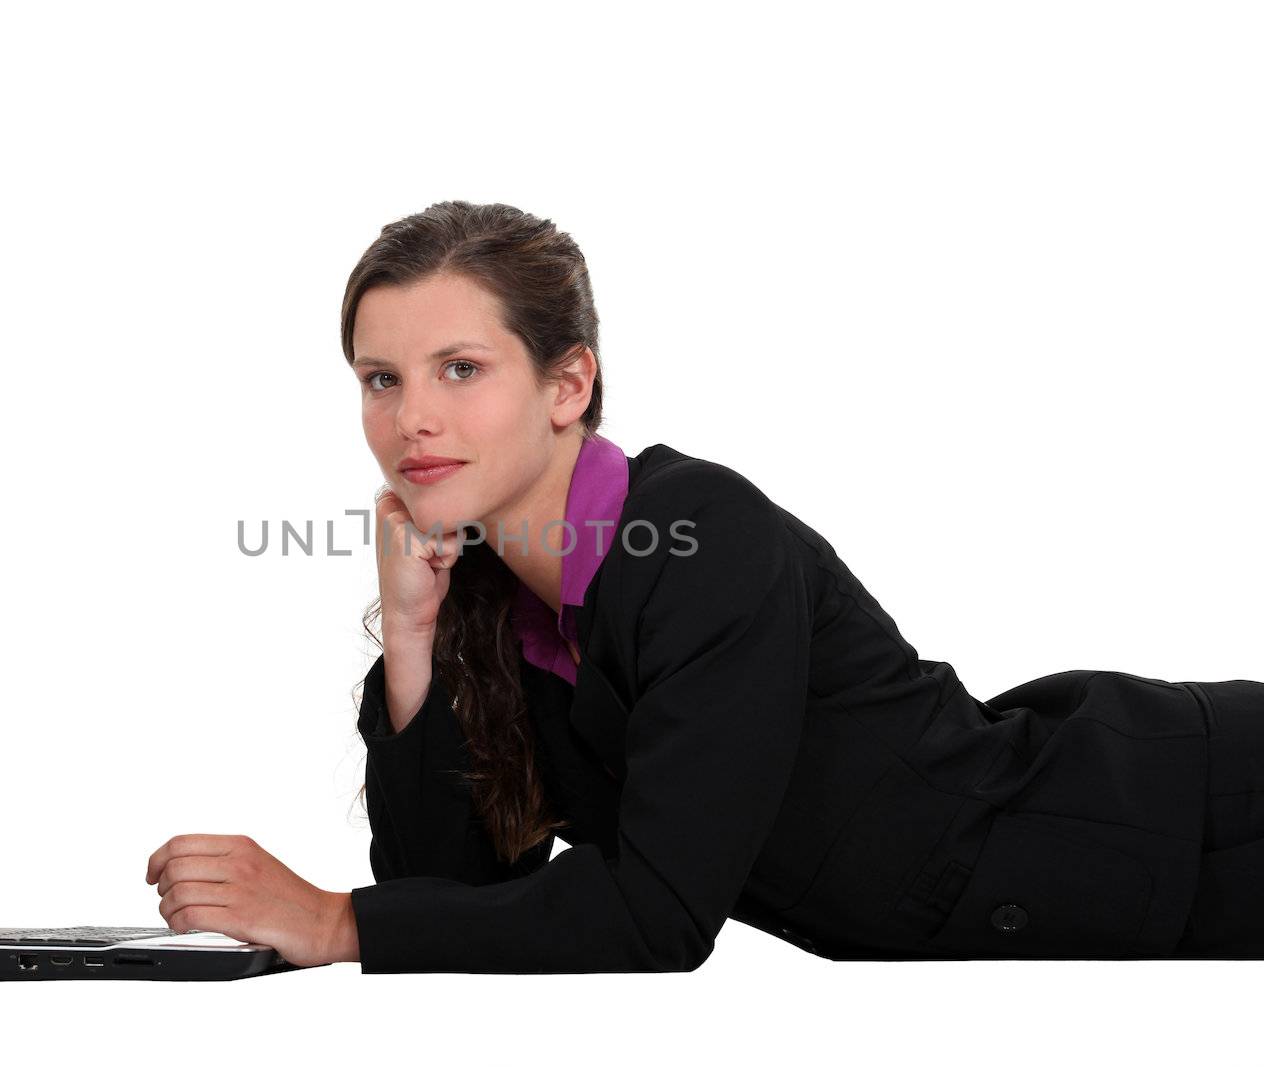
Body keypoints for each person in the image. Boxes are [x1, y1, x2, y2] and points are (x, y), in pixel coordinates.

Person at [145, 201, 1264, 972]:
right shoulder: (496, 604)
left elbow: (657, 914)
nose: (410, 419)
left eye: (459, 369)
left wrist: (338, 920)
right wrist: (411, 636)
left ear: (566, 381)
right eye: (380, 379)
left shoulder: (699, 542)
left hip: (1186, 810)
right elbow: (458, 890)